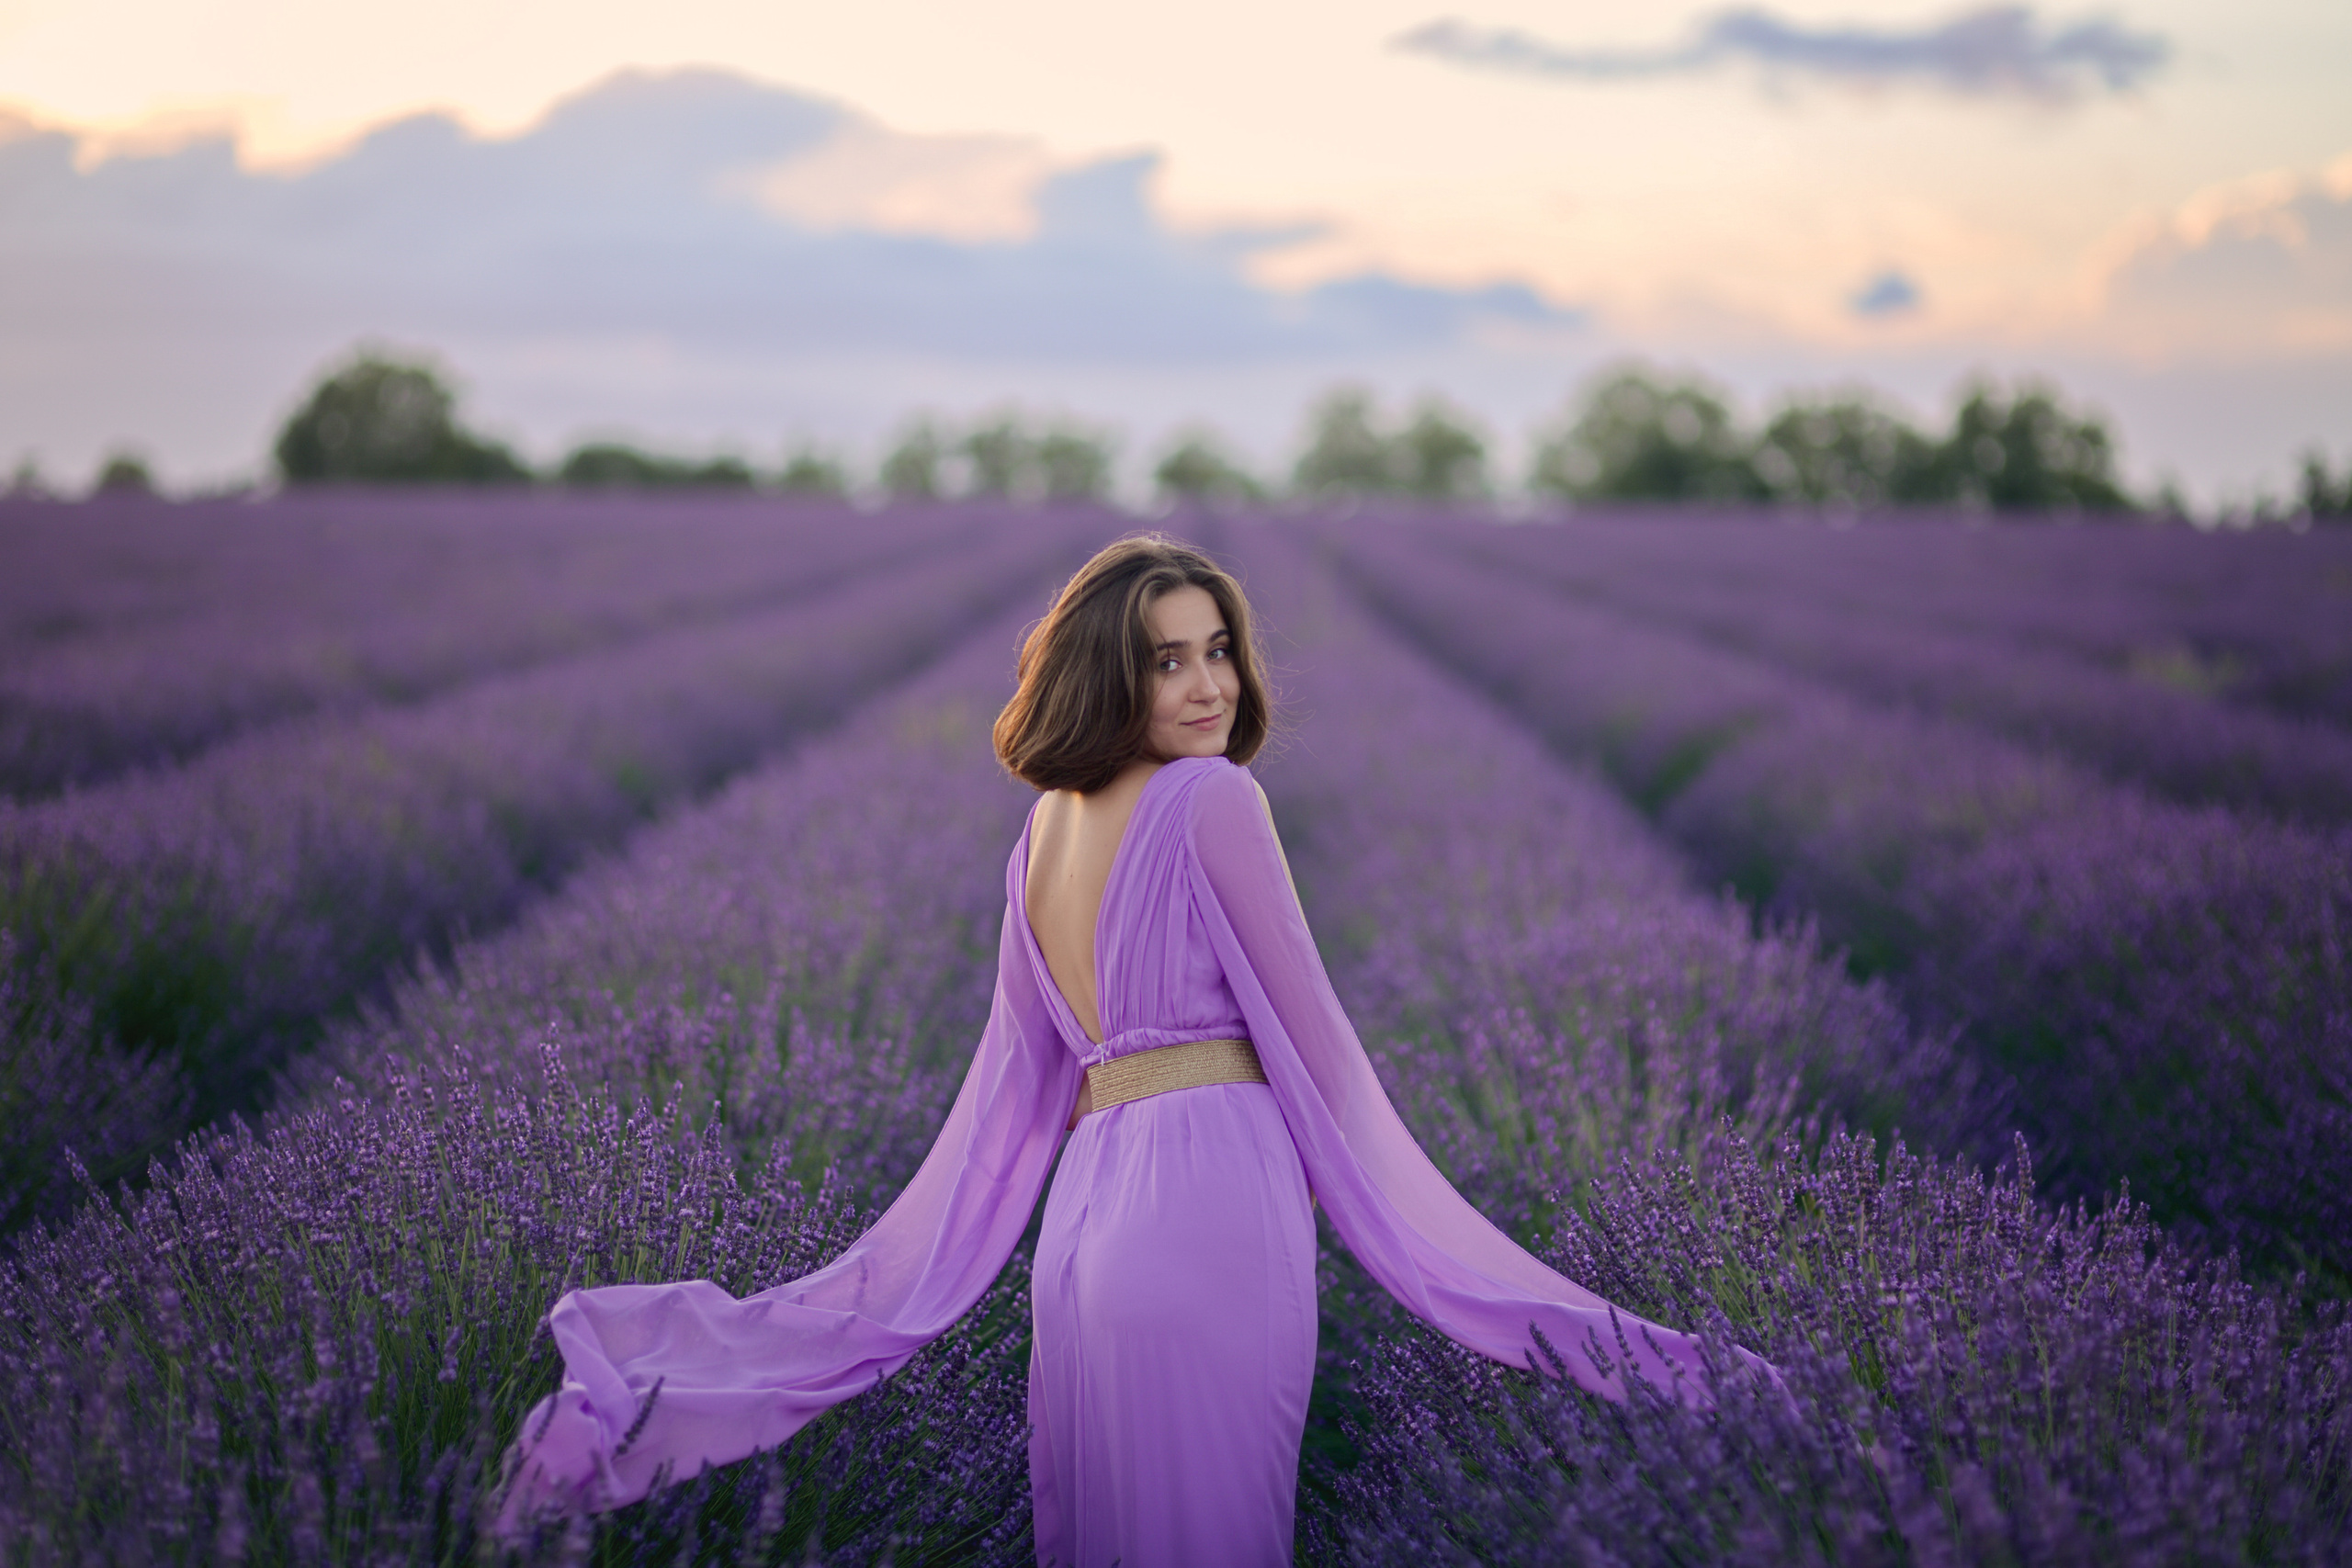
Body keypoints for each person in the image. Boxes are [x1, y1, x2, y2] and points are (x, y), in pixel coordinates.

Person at [497, 536, 1759, 1565]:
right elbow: (1318, 1043)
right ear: (1110, 677)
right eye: (1170, 663)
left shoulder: (1040, 835)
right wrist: (1433, 1239)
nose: (1209, 685)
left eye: (1220, 651)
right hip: (1210, 1205)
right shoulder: (1212, 799)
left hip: (1085, 1233)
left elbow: (1008, 1101)